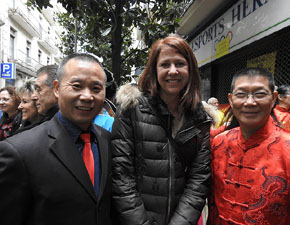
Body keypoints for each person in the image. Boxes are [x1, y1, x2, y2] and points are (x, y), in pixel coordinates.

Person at [0, 53, 112, 225]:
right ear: (57, 89)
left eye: (96, 89)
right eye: (77, 86)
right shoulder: (19, 151)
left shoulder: (108, 141)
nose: (87, 96)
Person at [111, 35, 211, 225]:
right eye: (165, 64)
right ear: (154, 70)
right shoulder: (130, 109)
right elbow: (122, 176)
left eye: (180, 64)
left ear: (190, 69)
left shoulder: (200, 117)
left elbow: (199, 180)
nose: (173, 71)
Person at [208, 67, 290, 224]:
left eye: (260, 94)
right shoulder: (218, 143)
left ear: (273, 99)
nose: (249, 102)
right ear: (230, 100)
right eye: (241, 94)